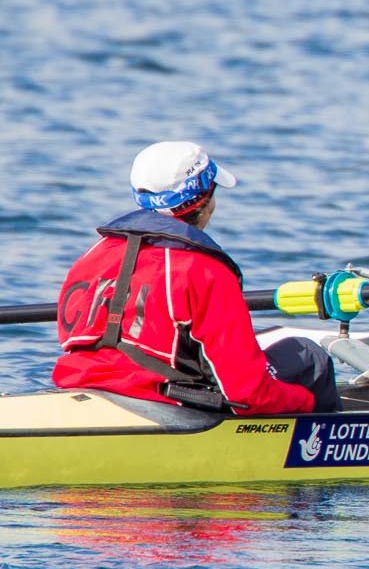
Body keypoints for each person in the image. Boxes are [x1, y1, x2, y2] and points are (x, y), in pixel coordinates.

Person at [53, 141, 338, 413]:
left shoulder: (94, 254)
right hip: (164, 400)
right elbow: (248, 394)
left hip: (81, 384)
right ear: (204, 200)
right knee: (309, 357)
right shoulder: (203, 269)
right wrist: (306, 401)